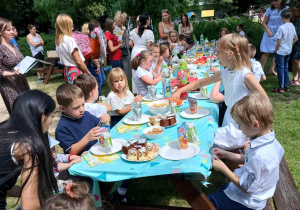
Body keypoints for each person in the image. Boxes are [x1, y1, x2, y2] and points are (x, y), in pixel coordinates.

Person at [171, 33, 267, 128]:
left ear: (230, 54)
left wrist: (260, 123)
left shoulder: (246, 76)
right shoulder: (224, 73)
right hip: (229, 118)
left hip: (243, 124)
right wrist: (180, 90)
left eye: (218, 52)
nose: (216, 55)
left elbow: (264, 99)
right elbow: (200, 82)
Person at [210, 92, 284, 210]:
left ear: (255, 125)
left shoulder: (260, 156)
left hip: (246, 202)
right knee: (220, 192)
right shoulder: (269, 142)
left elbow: (246, 187)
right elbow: (248, 158)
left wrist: (223, 168)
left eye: (240, 126)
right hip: (255, 194)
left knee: (207, 203)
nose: (240, 129)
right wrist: (226, 154)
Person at [0, 90, 58, 209]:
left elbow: (3, 184)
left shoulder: (4, 131)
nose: (51, 122)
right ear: (42, 116)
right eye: (52, 116)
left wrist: (36, 194)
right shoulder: (26, 147)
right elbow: (30, 207)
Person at [55, 83, 109, 155]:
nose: (82, 109)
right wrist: (87, 138)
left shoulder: (85, 114)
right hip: (82, 159)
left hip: (98, 151)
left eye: (83, 104)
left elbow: (100, 125)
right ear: (63, 108)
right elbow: (72, 151)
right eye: (76, 107)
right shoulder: (62, 128)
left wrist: (105, 118)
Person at [0, 18, 30, 115]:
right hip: (10, 86)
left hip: (22, 81)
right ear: (0, 32)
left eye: (12, 29)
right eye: (8, 30)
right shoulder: (0, 48)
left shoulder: (14, 46)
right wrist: (12, 73)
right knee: (18, 112)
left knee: (28, 109)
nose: (12, 32)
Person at [55, 14, 90, 83]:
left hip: (67, 70)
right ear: (65, 27)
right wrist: (88, 72)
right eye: (70, 26)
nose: (72, 28)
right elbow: (79, 62)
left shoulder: (58, 40)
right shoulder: (69, 40)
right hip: (75, 70)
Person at [260, 0, 288, 76]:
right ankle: (260, 71)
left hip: (280, 33)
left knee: (277, 52)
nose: (275, 3)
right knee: (266, 52)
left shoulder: (286, 9)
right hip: (269, 33)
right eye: (273, 1)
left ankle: (271, 69)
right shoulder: (270, 9)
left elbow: (288, 22)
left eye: (277, 1)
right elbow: (264, 22)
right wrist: (268, 30)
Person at [272, 9, 298, 93]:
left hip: (280, 51)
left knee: (280, 69)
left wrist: (275, 51)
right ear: (290, 16)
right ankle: (286, 86)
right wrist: (290, 44)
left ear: (281, 17)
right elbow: (296, 38)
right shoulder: (292, 26)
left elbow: (278, 42)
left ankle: (281, 88)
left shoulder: (281, 28)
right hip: (288, 50)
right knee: (285, 68)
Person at [129, 12, 154, 94]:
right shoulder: (149, 32)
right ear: (147, 21)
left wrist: (136, 47)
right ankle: (146, 87)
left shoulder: (133, 31)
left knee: (135, 70)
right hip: (144, 52)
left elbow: (130, 44)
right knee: (145, 69)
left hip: (135, 51)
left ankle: (136, 90)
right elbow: (149, 45)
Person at [85, 20, 105, 96]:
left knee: (102, 80)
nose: (100, 30)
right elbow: (92, 55)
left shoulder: (95, 37)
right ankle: (97, 98)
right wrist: (98, 65)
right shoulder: (91, 39)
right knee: (98, 81)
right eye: (99, 28)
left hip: (98, 63)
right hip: (93, 64)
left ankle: (97, 97)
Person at [290, 6, 300, 86]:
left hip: (299, 42)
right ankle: (295, 78)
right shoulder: (291, 20)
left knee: (297, 61)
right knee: (293, 60)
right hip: (293, 42)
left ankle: (299, 79)